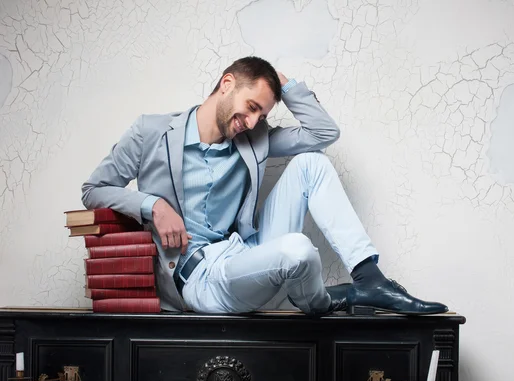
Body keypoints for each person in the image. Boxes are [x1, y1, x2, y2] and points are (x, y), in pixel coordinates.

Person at [82, 56, 448, 316]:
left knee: (312, 164)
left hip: (245, 253)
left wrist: (281, 83)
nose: (253, 120)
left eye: (262, 114)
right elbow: (93, 189)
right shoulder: (152, 131)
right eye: (251, 105)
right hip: (202, 279)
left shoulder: (254, 139)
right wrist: (154, 207)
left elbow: (323, 134)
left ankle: (369, 279)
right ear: (227, 84)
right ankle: (326, 301)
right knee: (299, 251)